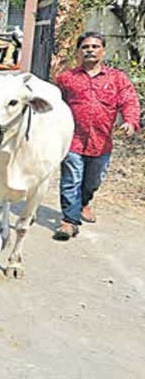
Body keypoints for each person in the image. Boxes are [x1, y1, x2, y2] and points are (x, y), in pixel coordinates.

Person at [53, 32, 141, 240]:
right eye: (85, 47)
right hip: (72, 139)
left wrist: (130, 121)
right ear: (78, 52)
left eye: (94, 46)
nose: (90, 50)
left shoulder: (117, 79)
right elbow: (55, 104)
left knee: (93, 181)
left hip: (101, 142)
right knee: (71, 179)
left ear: (103, 50)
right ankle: (69, 221)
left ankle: (83, 203)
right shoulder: (66, 79)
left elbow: (129, 101)